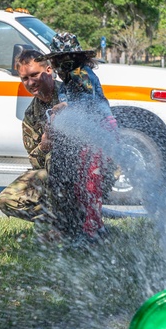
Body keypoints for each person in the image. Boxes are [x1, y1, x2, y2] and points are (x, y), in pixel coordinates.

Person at [39, 33, 117, 242]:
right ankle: (88, 226)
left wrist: (66, 107)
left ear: (78, 58)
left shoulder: (82, 73)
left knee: (92, 181)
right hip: (85, 134)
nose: (63, 63)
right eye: (59, 59)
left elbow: (88, 102)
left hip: (99, 131)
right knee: (82, 181)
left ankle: (93, 232)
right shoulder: (65, 83)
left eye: (68, 58)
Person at [0, 49, 61, 237]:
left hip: (83, 171)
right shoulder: (31, 115)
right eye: (24, 78)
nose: (30, 82)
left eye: (34, 75)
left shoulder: (70, 94)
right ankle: (55, 222)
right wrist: (44, 145)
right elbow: (35, 162)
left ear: (48, 70)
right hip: (52, 175)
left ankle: (71, 221)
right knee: (6, 200)